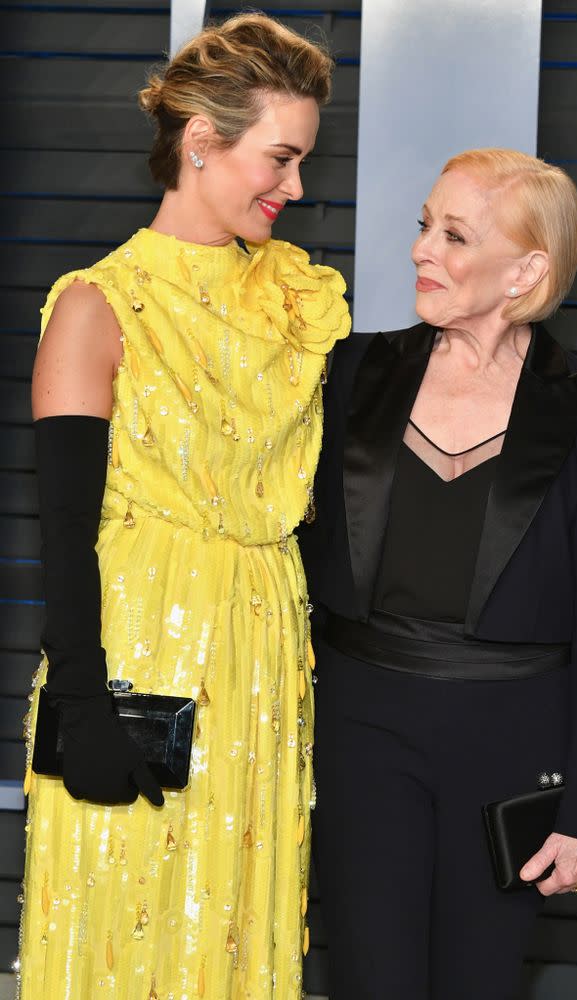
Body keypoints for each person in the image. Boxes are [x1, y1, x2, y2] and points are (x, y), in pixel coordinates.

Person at [19, 13, 350, 999]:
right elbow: (64, 524)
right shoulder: (98, 302)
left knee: (239, 935)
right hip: (137, 655)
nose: (294, 188)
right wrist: (82, 700)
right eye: (279, 159)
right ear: (202, 142)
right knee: (123, 926)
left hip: (262, 663)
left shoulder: (290, 293)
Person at [299, 148, 577, 999]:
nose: (420, 249)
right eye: (423, 225)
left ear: (527, 269)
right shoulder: (349, 372)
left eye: (453, 235)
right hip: (362, 727)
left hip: (512, 745)